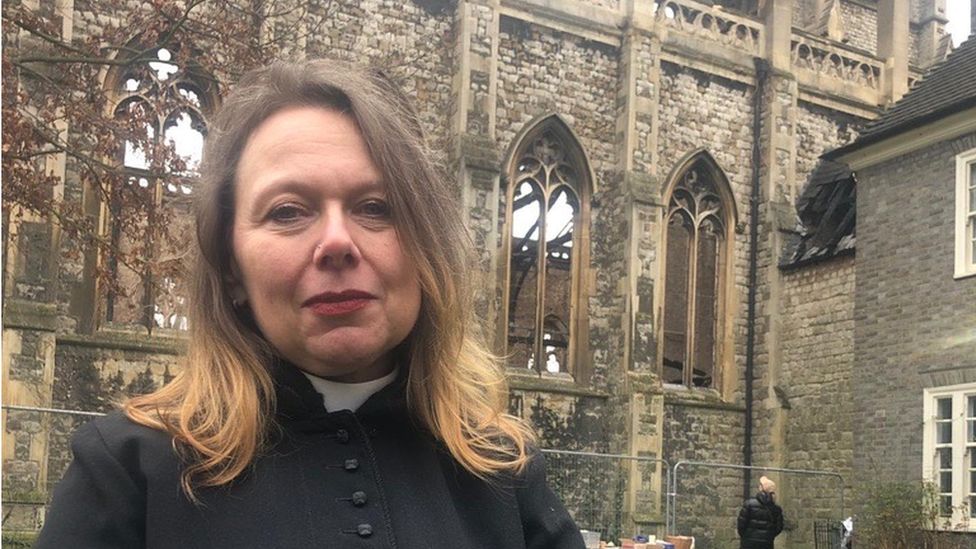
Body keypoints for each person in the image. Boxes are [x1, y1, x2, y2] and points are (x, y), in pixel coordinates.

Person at [36, 59, 585, 549]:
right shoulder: (127, 471)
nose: (338, 243)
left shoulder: (502, 468)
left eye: (376, 207)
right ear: (232, 269)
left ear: (424, 247)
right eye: (287, 211)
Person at [737, 476, 784, 549]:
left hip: (748, 544)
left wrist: (746, 536)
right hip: (766, 544)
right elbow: (779, 527)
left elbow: (741, 525)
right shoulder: (776, 509)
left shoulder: (749, 504)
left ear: (761, 488)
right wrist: (768, 536)